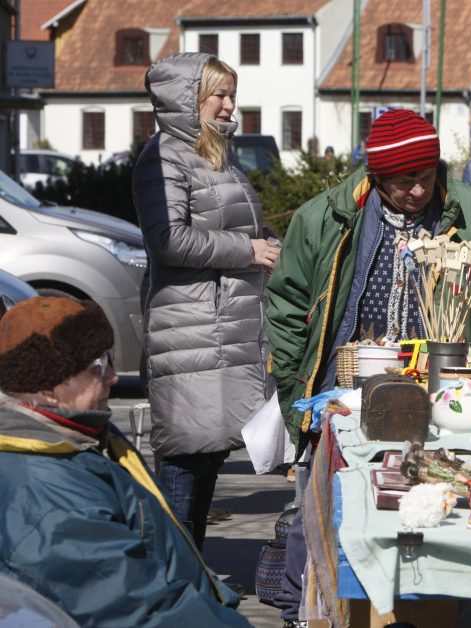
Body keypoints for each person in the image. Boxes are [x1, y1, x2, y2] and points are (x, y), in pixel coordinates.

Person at [266, 108, 471, 625]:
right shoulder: (326, 218)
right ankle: (307, 610)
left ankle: (423, 605)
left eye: (425, 178)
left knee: (432, 499)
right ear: (376, 176)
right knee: (327, 504)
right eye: (403, 182)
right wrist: (296, 394)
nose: (418, 192)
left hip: (443, 390)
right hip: (347, 392)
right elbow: (287, 308)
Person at [0, 296, 249, 626]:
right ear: (49, 389)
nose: (113, 377)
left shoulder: (82, 435)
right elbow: (142, 610)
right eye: (99, 367)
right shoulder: (55, 504)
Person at [132, 52, 278, 550]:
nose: (230, 105)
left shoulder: (214, 156)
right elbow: (168, 240)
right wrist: (249, 251)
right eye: (220, 95)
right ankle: (174, 579)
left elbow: (235, 228)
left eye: (232, 95)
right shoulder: (163, 157)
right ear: (188, 99)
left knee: (209, 453)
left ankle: (191, 575)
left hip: (224, 327)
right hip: (190, 328)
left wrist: (270, 245)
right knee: (184, 461)